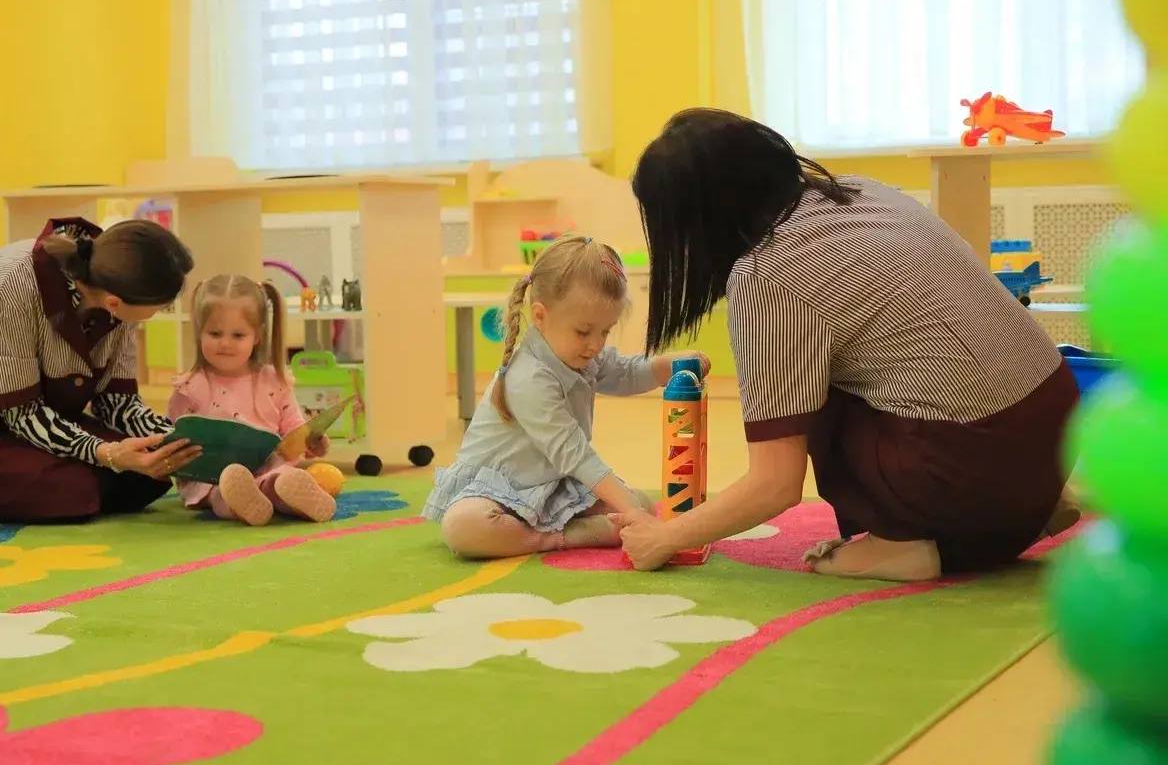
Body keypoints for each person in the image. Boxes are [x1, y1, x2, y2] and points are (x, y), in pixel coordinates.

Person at [613, 109, 1079, 581]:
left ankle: (905, 545)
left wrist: (665, 537)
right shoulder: (859, 190)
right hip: (1057, 423)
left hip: (979, 462)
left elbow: (775, 484)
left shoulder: (765, 274)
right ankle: (1027, 512)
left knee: (802, 397)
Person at [0, 218, 200, 522]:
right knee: (73, 488)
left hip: (40, 418)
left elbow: (116, 403)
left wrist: (180, 438)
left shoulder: (116, 291)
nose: (159, 313)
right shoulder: (3, 286)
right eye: (161, 307)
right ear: (114, 302)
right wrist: (107, 453)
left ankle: (7, 488)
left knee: (149, 474)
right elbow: (21, 414)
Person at [424, 235, 709, 558]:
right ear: (540, 316)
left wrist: (666, 366)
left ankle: (565, 527)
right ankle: (559, 537)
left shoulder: (581, 356)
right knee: (464, 527)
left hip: (552, 487)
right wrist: (632, 513)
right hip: (497, 494)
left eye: (605, 331)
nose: (596, 345)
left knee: (641, 502)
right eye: (583, 332)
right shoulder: (529, 377)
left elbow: (627, 373)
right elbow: (574, 455)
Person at [167, 275, 335, 526]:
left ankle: (293, 498)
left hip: (267, 468)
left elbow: (294, 431)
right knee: (222, 490)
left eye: (238, 335)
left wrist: (312, 442)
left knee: (279, 479)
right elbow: (170, 433)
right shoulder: (189, 386)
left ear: (257, 336)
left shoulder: (274, 380)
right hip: (209, 479)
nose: (225, 343)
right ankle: (241, 502)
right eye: (214, 333)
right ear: (200, 331)